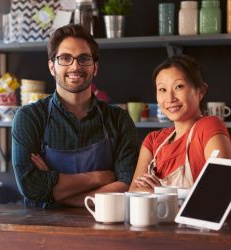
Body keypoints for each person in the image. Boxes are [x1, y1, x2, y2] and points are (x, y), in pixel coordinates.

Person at [12, 24, 139, 207]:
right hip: (43, 230)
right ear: (51, 67)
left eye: (84, 59)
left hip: (105, 229)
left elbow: (126, 186)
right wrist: (100, 177)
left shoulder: (119, 120)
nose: (75, 66)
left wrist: (53, 193)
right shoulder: (29, 118)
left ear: (95, 67)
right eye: (65, 58)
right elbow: (32, 188)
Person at [129, 55, 231, 192]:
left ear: (201, 91)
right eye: (162, 89)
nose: (170, 98)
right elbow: (132, 194)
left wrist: (160, 192)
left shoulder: (208, 127)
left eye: (179, 87)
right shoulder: (153, 141)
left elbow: (224, 198)